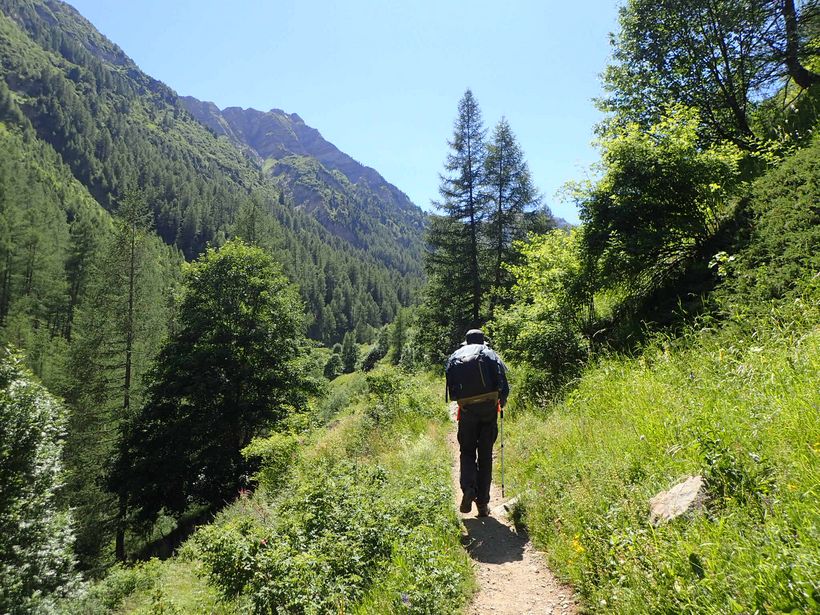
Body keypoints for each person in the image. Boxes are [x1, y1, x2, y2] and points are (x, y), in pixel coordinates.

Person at [449, 328, 509, 517]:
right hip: (489, 409)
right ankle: (482, 505)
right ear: (483, 340)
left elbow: (452, 392)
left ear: (466, 342)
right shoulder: (489, 353)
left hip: (466, 410)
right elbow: (503, 386)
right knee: (485, 456)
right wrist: (501, 402)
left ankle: (468, 487)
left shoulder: (456, 356)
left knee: (467, 451)